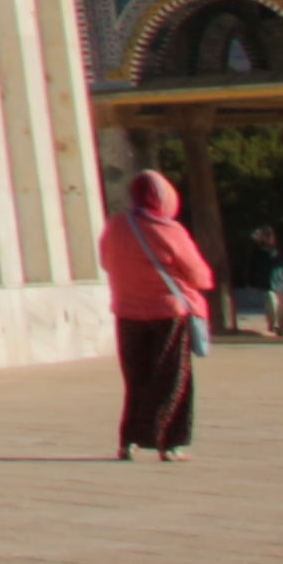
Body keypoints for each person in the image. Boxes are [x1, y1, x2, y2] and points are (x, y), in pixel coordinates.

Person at [103, 169, 212, 461]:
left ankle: (129, 441)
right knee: (172, 377)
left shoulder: (116, 227)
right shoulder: (168, 230)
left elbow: (105, 261)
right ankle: (168, 441)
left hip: (127, 312)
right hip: (168, 313)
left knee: (136, 377)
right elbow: (200, 276)